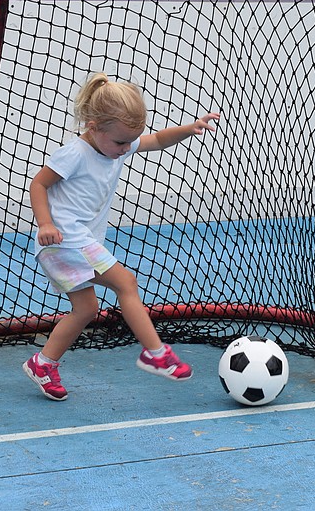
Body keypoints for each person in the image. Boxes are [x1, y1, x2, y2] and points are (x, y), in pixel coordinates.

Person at [23, 72, 220, 401]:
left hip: (74, 242)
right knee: (126, 283)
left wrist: (189, 129)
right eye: (120, 142)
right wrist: (44, 223)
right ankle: (155, 353)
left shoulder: (116, 142)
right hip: (64, 240)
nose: (126, 148)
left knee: (85, 310)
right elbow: (38, 184)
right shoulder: (75, 153)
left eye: (130, 141)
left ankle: (42, 363)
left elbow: (156, 140)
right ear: (93, 124)